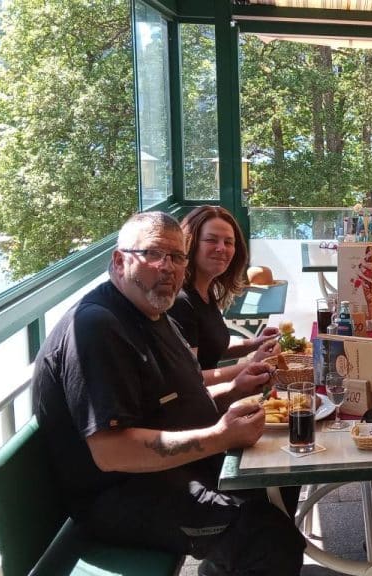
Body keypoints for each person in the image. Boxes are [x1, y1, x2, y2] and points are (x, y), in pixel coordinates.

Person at [31, 212, 304, 576]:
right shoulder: (97, 327)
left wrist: (234, 390)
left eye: (177, 257)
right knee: (268, 540)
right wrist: (220, 436)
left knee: (284, 468)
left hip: (167, 471)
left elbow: (183, 395)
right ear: (119, 259)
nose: (168, 267)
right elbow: (112, 451)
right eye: (154, 254)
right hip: (121, 496)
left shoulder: (156, 311)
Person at [169, 206, 280, 407]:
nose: (222, 248)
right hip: (198, 408)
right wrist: (254, 363)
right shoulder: (181, 302)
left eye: (229, 242)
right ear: (189, 243)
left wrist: (255, 343)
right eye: (211, 240)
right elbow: (192, 377)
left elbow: (210, 346)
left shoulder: (206, 290)